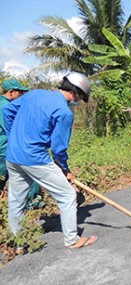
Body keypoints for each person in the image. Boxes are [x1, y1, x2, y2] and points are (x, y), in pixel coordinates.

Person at [3, 72, 98, 251]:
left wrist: (13, 136)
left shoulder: (34, 94)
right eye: (80, 97)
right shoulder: (64, 112)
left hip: (13, 156)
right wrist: (65, 169)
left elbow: (7, 111)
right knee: (68, 196)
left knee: (16, 200)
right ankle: (72, 240)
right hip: (35, 159)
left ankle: (17, 243)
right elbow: (58, 149)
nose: (77, 101)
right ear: (76, 93)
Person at [0, 79, 43, 209]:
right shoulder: (5, 106)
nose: (21, 95)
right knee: (32, 170)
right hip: (5, 146)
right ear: (11, 92)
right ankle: (31, 202)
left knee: (4, 175)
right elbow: (11, 129)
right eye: (20, 92)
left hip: (5, 146)